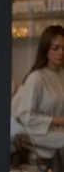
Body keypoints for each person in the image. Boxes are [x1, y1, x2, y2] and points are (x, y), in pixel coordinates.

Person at [12, 25, 64, 160]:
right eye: (56, 48)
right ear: (46, 49)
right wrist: (58, 121)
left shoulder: (62, 75)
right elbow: (26, 116)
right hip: (37, 133)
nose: (61, 53)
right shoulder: (36, 78)